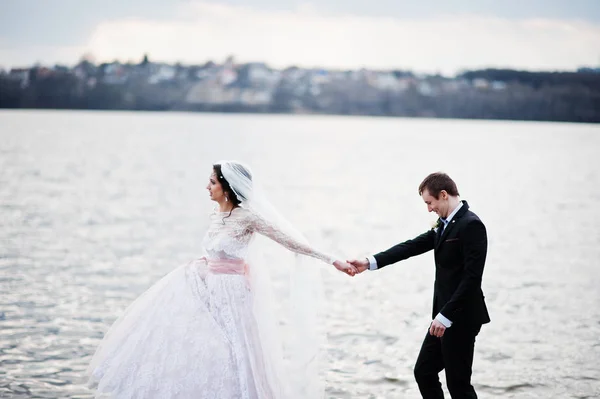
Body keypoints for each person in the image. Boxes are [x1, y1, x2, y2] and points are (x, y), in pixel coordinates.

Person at [87, 160, 356, 398]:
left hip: (233, 293)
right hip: (206, 288)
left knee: (233, 351)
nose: (207, 187)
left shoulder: (248, 217)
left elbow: (293, 242)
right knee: (200, 348)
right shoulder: (216, 215)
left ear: (227, 187)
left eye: (212, 182)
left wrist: (333, 260)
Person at [348, 172, 490, 399]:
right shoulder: (444, 224)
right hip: (442, 316)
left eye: (429, 202)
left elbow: (472, 279)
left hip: (460, 317)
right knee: (424, 371)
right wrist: (369, 262)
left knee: (458, 385)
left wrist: (447, 316)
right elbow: (411, 247)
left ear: (443, 195)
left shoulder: (471, 225)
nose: (428, 208)